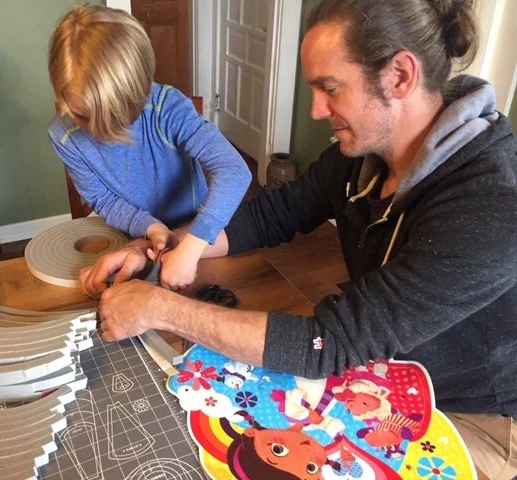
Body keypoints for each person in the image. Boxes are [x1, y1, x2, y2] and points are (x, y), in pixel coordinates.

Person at [82, 0, 517, 477]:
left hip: (477, 414)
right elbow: (271, 214)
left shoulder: (490, 203)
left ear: (399, 76)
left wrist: (161, 308)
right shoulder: (364, 155)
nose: (315, 110)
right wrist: (160, 247)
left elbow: (327, 343)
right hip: (382, 370)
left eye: (330, 88)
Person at [47, 5, 251, 290]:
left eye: (115, 118)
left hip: (200, 234)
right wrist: (151, 227)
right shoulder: (64, 136)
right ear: (61, 95)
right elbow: (104, 200)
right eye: (83, 115)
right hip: (130, 237)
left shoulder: (167, 109)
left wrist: (191, 246)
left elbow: (234, 171)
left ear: (141, 94)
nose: (98, 130)